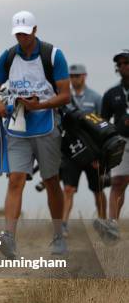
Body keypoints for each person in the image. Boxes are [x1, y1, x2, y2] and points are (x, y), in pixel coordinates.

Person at [0, 10, 70, 257]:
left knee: (52, 180)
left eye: (25, 33)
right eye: (17, 34)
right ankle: (9, 238)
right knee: (15, 180)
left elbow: (65, 95)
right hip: (17, 126)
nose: (21, 38)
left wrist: (40, 105)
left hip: (46, 125)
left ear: (35, 30)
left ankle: (58, 235)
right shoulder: (8, 56)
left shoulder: (53, 55)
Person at [60, 64, 106, 237]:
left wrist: (100, 154)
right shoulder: (64, 98)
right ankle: (63, 224)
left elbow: (102, 125)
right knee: (68, 189)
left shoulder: (95, 98)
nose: (74, 79)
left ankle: (103, 222)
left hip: (92, 152)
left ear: (84, 76)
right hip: (72, 151)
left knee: (98, 189)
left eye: (77, 75)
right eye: (71, 76)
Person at [101, 49, 129, 241]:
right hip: (122, 142)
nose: (122, 66)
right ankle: (112, 225)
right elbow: (103, 122)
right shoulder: (111, 93)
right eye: (119, 64)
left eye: (126, 62)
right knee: (118, 182)